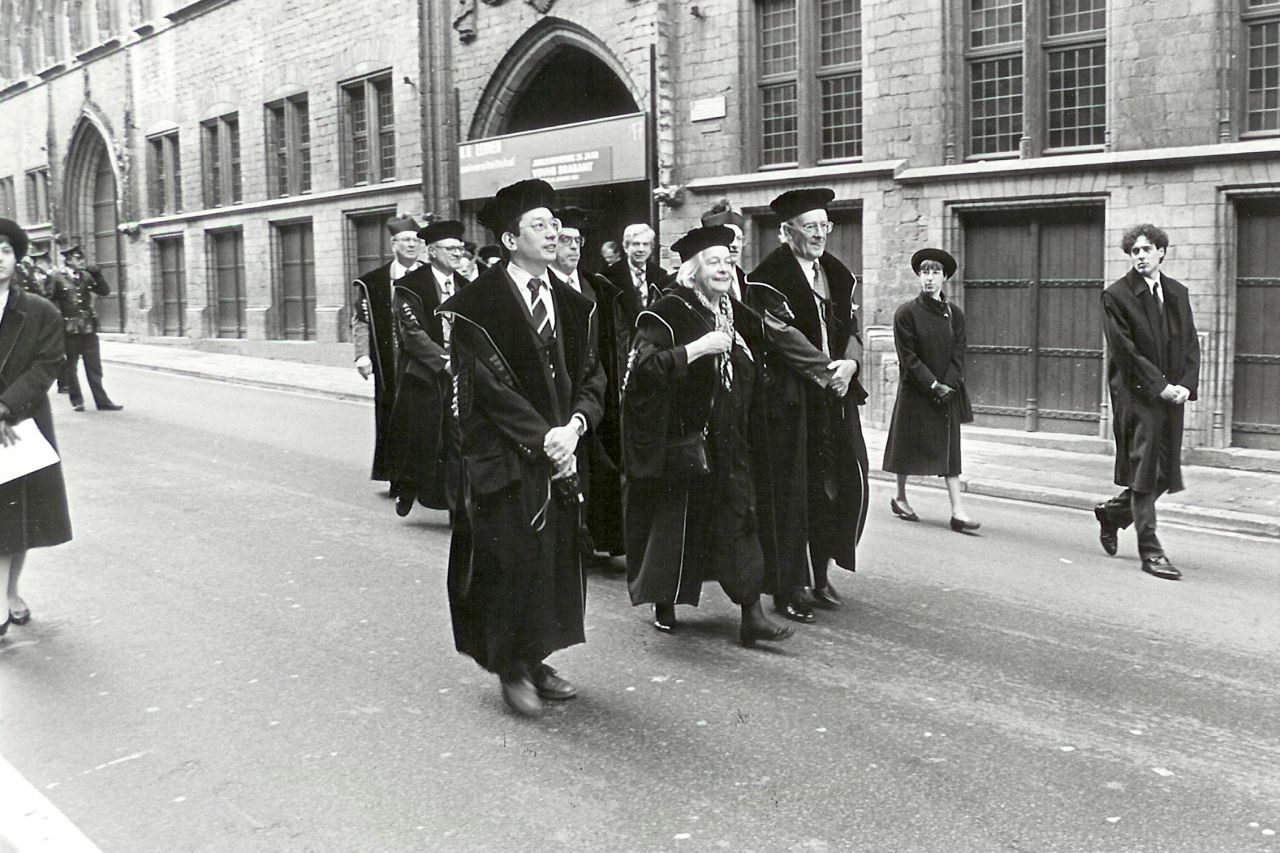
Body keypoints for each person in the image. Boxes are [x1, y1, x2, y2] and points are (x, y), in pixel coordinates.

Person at [437, 179, 606, 718]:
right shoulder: (476, 308)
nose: (554, 232)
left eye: (554, 225)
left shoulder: (576, 305)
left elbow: (594, 376)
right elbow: (488, 390)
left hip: (560, 454)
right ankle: (511, 667)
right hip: (506, 460)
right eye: (540, 225)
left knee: (552, 562)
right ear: (509, 240)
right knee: (509, 563)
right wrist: (546, 439)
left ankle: (537, 657)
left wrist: (576, 425)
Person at [623, 225, 794, 646]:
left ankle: (751, 614)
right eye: (713, 261)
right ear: (693, 270)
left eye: (727, 261)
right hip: (684, 439)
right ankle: (664, 600)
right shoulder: (667, 311)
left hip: (730, 438)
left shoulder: (737, 313)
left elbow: (766, 360)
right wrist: (697, 349)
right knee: (676, 525)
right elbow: (641, 371)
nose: (723, 268)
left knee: (739, 517)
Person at [747, 188, 869, 623]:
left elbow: (853, 325)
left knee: (835, 484)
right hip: (790, 401)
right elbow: (780, 335)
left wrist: (851, 363)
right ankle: (787, 585)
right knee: (790, 491)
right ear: (786, 232)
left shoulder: (837, 273)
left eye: (824, 226)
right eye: (810, 226)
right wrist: (827, 369)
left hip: (835, 396)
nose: (819, 234)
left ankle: (821, 571)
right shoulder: (765, 279)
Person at [1093, 224, 1200, 581]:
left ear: (1161, 252)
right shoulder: (1117, 296)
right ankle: (1151, 553)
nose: (1140, 256)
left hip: (1171, 396)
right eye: (1134, 251)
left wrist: (1185, 384)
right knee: (1145, 470)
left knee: (1166, 472)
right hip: (1138, 396)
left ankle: (1113, 513)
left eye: (1146, 249)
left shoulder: (1177, 292)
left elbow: (1189, 344)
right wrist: (1160, 387)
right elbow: (1125, 352)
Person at [0, 219, 73, 638]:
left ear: (16, 257)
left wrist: (5, 407)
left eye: (5, 250)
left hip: (21, 422)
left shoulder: (40, 311)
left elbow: (47, 364)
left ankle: (8, 594)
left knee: (16, 514)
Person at [549, 207, 625, 563]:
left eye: (578, 241)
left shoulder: (596, 288)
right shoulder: (544, 288)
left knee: (597, 472)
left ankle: (589, 540)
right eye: (566, 240)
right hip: (556, 399)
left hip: (594, 396)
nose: (574, 248)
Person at [882, 248, 978, 531]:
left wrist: (948, 384)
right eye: (925, 272)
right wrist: (932, 384)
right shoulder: (906, 313)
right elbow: (908, 357)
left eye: (935, 272)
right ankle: (900, 496)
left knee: (950, 453)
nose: (929, 278)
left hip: (946, 392)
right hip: (917, 391)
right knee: (906, 446)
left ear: (944, 278)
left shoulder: (955, 315)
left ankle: (958, 511)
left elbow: (959, 354)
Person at [385, 220, 467, 518]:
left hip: (459, 377)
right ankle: (407, 488)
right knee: (420, 439)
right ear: (432, 251)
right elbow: (413, 334)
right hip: (423, 376)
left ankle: (459, 510)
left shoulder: (466, 287)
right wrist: (445, 361)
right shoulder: (409, 287)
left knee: (458, 439)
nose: (458, 254)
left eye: (461, 248)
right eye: (451, 249)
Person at [352, 215, 425, 486]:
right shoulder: (374, 282)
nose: (411, 245)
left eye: (416, 240)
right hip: (390, 361)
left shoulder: (429, 276)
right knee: (393, 416)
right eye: (406, 240)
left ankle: (423, 477)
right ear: (394, 244)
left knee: (424, 418)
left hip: (423, 361)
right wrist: (362, 354)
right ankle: (397, 476)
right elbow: (361, 320)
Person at [51, 244, 122, 413]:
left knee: (94, 367)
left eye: (82, 258)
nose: (82, 261)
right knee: (71, 367)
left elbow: (104, 291)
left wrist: (98, 274)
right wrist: (57, 323)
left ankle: (102, 401)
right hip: (69, 329)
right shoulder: (56, 278)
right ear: (68, 260)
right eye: (78, 258)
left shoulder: (86, 276)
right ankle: (77, 401)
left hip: (89, 328)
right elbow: (50, 301)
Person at [700, 199, 747, 301]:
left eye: (739, 239)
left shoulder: (748, 283)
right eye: (729, 238)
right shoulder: (699, 282)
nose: (735, 245)